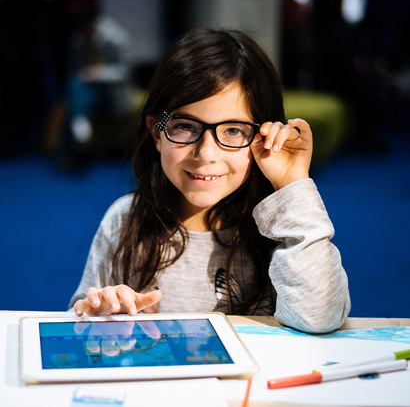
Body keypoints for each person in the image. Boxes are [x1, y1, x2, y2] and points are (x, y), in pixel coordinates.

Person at [70, 29, 350, 333]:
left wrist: (292, 185)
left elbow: (320, 317)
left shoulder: (282, 225)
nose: (205, 153)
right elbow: (84, 320)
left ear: (265, 136)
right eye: (185, 126)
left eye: (233, 131)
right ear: (156, 133)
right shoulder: (125, 221)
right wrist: (107, 315)